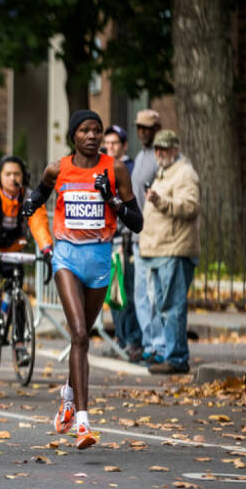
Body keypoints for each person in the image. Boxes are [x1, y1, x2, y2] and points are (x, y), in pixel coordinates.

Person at [22, 109, 143, 450]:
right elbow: (39, 192)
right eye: (85, 130)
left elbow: (137, 222)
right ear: (74, 135)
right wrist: (29, 206)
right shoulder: (57, 168)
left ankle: (68, 395)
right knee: (78, 334)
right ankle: (83, 423)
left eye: (97, 131)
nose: (92, 136)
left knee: (82, 340)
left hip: (100, 260)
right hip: (67, 259)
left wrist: (112, 199)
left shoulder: (115, 169)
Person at [140, 130, 199, 375]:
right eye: (157, 149)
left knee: (173, 306)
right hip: (159, 249)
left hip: (174, 250)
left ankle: (176, 357)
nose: (159, 153)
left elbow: (190, 207)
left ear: (175, 149)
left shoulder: (184, 173)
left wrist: (160, 201)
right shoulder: (164, 172)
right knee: (163, 305)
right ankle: (170, 353)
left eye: (164, 149)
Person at [0, 155, 53, 327]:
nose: (13, 178)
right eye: (8, 174)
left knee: (18, 291)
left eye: (17, 174)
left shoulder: (31, 198)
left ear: (23, 177)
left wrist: (47, 248)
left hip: (15, 250)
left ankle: (20, 340)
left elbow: (39, 224)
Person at [103, 125, 141, 359]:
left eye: (114, 143)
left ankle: (133, 340)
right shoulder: (102, 168)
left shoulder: (129, 169)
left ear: (124, 145)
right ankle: (120, 339)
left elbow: (132, 205)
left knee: (127, 291)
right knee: (114, 293)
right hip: (108, 239)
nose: (110, 148)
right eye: (106, 144)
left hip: (124, 240)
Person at [130, 109, 162, 366]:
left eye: (148, 128)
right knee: (140, 294)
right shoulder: (140, 156)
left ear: (156, 130)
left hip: (154, 236)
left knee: (153, 295)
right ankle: (148, 344)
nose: (143, 132)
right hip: (137, 235)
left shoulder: (159, 159)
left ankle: (157, 346)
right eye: (140, 127)